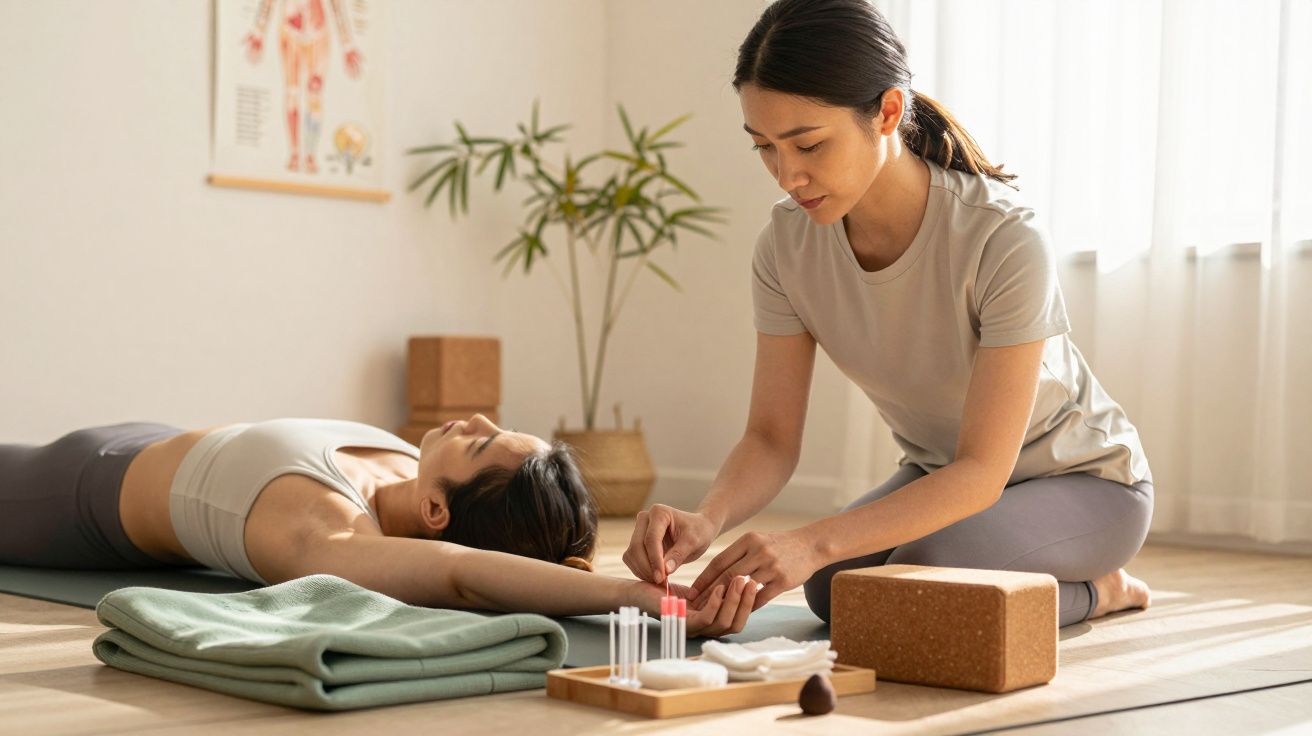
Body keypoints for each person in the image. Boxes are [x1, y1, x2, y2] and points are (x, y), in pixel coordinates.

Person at [623, 0, 1154, 628]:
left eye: (809, 144)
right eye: (764, 147)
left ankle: (1102, 589)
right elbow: (770, 437)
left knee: (922, 575)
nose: (788, 174)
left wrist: (813, 538)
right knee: (833, 587)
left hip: (1085, 484)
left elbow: (983, 472)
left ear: (888, 112)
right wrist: (706, 518)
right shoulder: (786, 247)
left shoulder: (1002, 239)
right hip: (941, 477)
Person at [0, 414, 756, 635]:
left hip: (67, 495)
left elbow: (465, 576)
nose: (476, 418)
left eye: (481, 443)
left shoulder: (325, 533)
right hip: (137, 438)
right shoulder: (406, 471)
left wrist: (658, 600)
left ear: (438, 513)